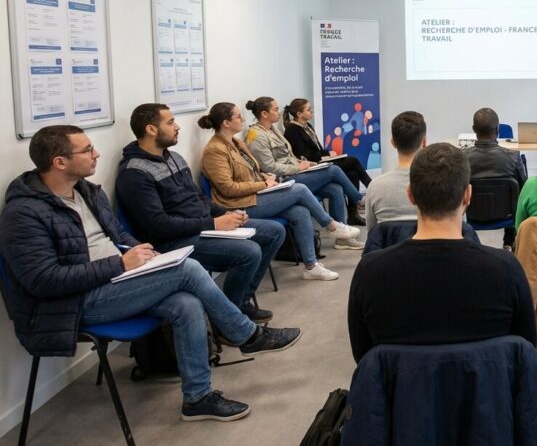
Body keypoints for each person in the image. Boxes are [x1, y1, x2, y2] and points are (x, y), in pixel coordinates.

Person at [1, 125, 301, 422]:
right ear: (60, 162)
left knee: (186, 303)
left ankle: (197, 398)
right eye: (87, 150)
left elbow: (117, 235)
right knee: (187, 269)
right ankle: (246, 334)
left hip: (115, 281)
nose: (97, 154)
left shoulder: (86, 192)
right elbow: (43, 281)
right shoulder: (24, 213)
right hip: (71, 303)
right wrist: (121, 264)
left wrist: (143, 254)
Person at [348, 143, 537, 362]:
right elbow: (525, 349)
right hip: (487, 393)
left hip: (401, 393)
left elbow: (363, 357)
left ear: (410, 195)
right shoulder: (507, 269)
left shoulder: (370, 273)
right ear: (468, 195)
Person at [116, 104, 285, 322]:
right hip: (172, 241)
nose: (177, 127)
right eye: (170, 122)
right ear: (151, 129)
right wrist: (213, 224)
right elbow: (158, 226)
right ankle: (231, 319)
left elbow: (200, 200)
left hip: (202, 226)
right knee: (249, 252)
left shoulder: (174, 157)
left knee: (274, 231)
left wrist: (229, 213)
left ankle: (238, 303)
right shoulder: (134, 173)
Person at [199, 102, 360, 281]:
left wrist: (263, 176)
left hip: (254, 194)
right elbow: (227, 188)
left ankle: (311, 266)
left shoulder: (236, 142)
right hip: (239, 205)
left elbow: (251, 169)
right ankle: (331, 225)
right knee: (299, 189)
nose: (243, 119)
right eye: (238, 116)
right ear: (226, 123)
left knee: (300, 211)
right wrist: (263, 185)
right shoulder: (214, 151)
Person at [244, 97, 367, 239]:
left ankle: (343, 239)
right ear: (264, 114)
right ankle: (359, 200)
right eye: (275, 109)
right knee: (333, 170)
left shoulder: (273, 130)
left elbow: (288, 156)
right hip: (283, 179)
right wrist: (298, 168)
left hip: (295, 171)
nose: (279, 112)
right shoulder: (256, 136)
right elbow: (269, 166)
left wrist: (305, 164)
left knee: (335, 188)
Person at [281, 97, 372, 212]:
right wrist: (324, 156)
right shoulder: (292, 130)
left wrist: (329, 153)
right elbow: (303, 155)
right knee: (353, 160)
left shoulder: (307, 126)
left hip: (321, 160)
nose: (312, 112)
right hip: (312, 166)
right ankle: (370, 190)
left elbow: (318, 147)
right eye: (308, 110)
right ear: (299, 113)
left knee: (353, 173)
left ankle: (353, 215)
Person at [462, 107, 527, 251]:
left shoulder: (462, 158)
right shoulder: (513, 157)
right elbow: (524, 188)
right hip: (507, 215)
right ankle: (509, 243)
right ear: (498, 129)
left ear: (474, 129)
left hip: (472, 215)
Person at [364, 111, 426, 231]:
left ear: (393, 142)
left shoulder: (375, 187)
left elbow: (372, 233)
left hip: (388, 249)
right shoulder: (440, 185)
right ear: (424, 142)